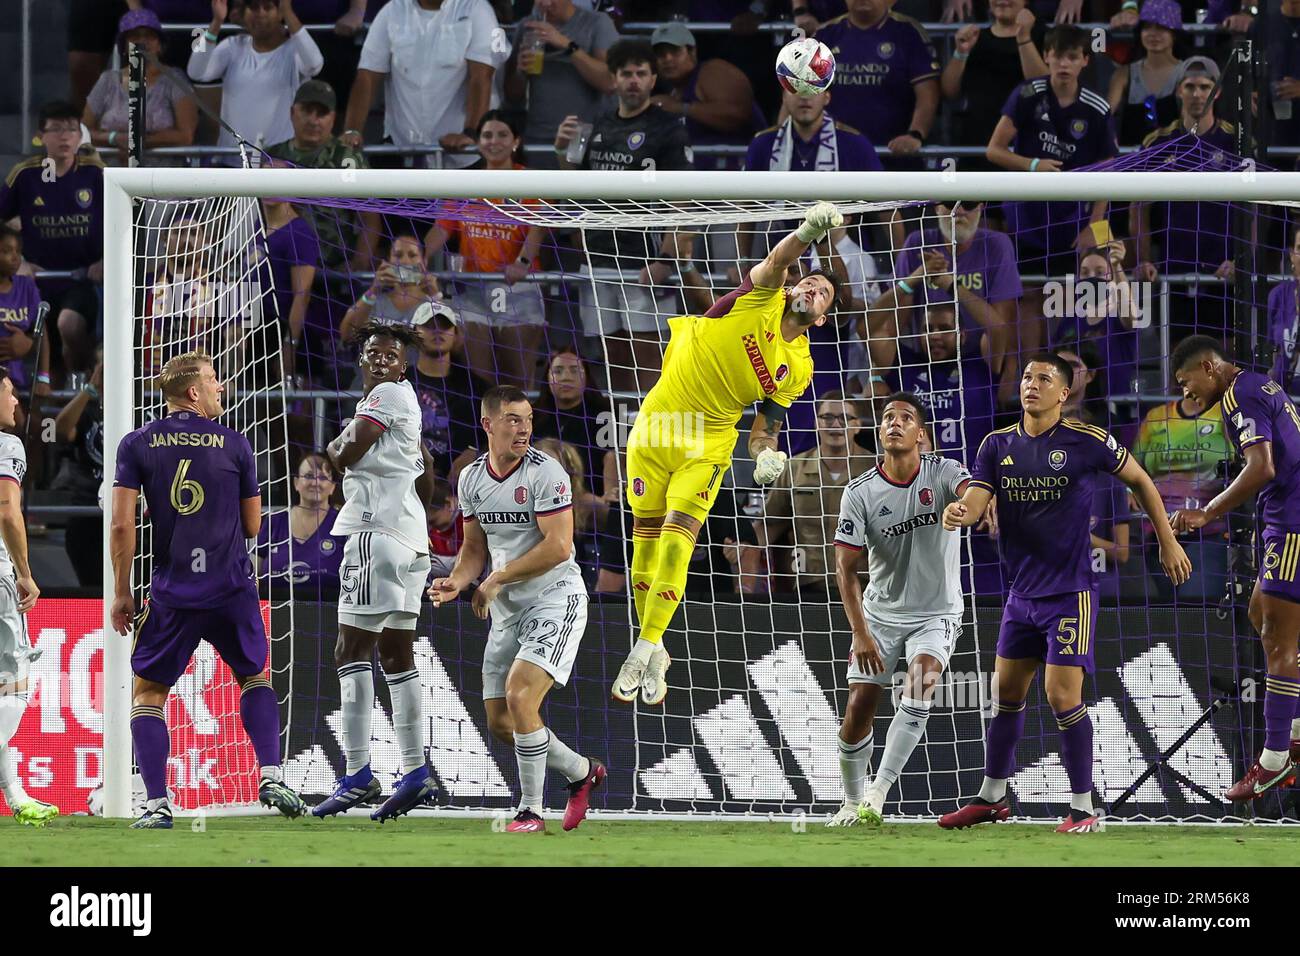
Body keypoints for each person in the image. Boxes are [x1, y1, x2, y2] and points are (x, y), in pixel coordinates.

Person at [939, 353, 1190, 832]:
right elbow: (977, 496)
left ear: (1064, 393)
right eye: (1028, 377)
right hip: (1021, 594)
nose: (1032, 385)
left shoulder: (1086, 440)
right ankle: (992, 797)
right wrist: (962, 513)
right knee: (1006, 695)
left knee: (1060, 696)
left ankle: (1083, 807)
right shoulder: (997, 444)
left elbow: (1140, 479)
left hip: (1070, 593)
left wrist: (1167, 539)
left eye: (1045, 379)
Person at [610, 202, 842, 705]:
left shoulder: (797, 368)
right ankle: (657, 646)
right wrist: (806, 232)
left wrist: (764, 454)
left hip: (710, 441)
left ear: (822, 318)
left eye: (822, 292)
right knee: (643, 546)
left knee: (678, 541)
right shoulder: (762, 295)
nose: (810, 288)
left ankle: (644, 644)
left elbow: (766, 427)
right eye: (809, 282)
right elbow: (780, 260)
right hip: (656, 425)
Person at [109, 352, 306, 828]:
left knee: (149, 693)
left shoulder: (136, 443)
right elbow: (254, 524)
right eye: (215, 380)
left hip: (174, 591)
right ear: (194, 392)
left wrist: (121, 590)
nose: (221, 387)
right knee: (255, 676)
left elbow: (120, 525)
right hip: (231, 587)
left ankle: (157, 804)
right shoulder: (236, 444)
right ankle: (271, 773)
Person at [429, 385, 605, 834]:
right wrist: (458, 581)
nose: (523, 427)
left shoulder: (547, 474)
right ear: (488, 425)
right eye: (511, 419)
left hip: (554, 597)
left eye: (527, 419)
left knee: (521, 695)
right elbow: (473, 548)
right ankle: (583, 772)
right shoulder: (470, 478)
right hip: (506, 608)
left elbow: (560, 547)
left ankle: (529, 811)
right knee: (503, 723)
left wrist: (493, 580)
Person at [313, 323, 439, 822]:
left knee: (350, 648)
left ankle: (358, 773)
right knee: (396, 652)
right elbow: (425, 469)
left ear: (404, 364)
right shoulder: (407, 401)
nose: (382, 361)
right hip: (408, 535)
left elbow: (343, 452)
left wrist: (333, 452)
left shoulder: (385, 396)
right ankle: (414, 770)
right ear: (361, 360)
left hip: (376, 533)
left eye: (391, 354)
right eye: (373, 353)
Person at [826, 394, 969, 826]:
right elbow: (845, 569)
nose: (895, 423)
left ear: (921, 435)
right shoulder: (860, 491)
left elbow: (970, 490)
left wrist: (967, 507)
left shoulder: (942, 472)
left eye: (906, 418)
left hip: (936, 611)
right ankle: (850, 802)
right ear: (880, 431)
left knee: (922, 680)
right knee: (858, 709)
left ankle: (878, 792)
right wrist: (861, 633)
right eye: (888, 417)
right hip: (881, 615)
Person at [1170, 335, 1300, 796]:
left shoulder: (1236, 395)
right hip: (1285, 518)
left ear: (1209, 367)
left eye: (1186, 384)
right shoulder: (1258, 384)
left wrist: (1209, 511)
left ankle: (1274, 760)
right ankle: (1295, 728)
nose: (1186, 395)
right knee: (1259, 611)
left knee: (1278, 638)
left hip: (1293, 524)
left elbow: (1261, 466)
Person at [554, 38, 695, 393]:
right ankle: (622, 436)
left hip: (644, 264)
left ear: (652, 80)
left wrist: (666, 258)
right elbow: (573, 184)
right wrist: (560, 150)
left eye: (641, 73)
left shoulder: (669, 128)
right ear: (614, 79)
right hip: (598, 259)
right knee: (610, 353)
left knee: (646, 355)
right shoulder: (596, 123)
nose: (633, 80)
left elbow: (683, 199)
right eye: (626, 73)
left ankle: (647, 435)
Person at [988, 26, 1117, 302]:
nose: (1064, 64)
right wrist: (1033, 165)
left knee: (1071, 300)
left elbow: (1109, 171)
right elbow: (994, 150)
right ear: (1046, 56)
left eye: (1072, 57)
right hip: (1026, 217)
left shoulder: (1096, 108)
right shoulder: (1027, 94)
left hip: (1074, 221)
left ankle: (1068, 348)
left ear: (1085, 60)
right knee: (1029, 299)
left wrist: (1094, 227)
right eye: (1058, 56)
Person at [425, 111, 547, 390]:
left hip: (519, 289)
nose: (494, 141)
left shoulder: (532, 180)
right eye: (487, 135)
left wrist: (523, 262)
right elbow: (442, 228)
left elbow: (537, 228)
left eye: (502, 134)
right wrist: (419, 257)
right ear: (478, 142)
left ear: (516, 141)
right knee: (479, 379)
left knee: (517, 380)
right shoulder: (465, 183)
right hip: (472, 290)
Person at [1134, 57, 1238, 339]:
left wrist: (1242, 259)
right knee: (1177, 362)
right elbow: (1139, 206)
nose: (1197, 94)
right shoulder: (1158, 141)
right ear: (1178, 90)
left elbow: (1253, 207)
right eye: (1190, 86)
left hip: (1223, 269)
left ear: (1217, 92)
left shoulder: (1236, 141)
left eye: (1205, 86)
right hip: (1173, 268)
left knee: (1225, 362)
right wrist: (1143, 259)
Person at [0, 100, 104, 377]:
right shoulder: (25, 175)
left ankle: (86, 381)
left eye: (71, 129)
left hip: (82, 280)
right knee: (40, 345)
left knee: (69, 325)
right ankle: (47, 393)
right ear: (40, 136)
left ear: (80, 136)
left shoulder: (96, 174)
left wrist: (107, 260)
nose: (64, 136)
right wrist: (18, 261)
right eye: (56, 129)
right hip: (36, 280)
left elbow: (129, 220)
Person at [884, 200, 1023, 404]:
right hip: (926, 362)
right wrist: (876, 375)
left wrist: (1007, 371)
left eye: (968, 204)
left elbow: (1002, 327)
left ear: (981, 206)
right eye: (950, 204)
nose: (959, 211)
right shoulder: (917, 242)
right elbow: (891, 325)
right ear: (937, 207)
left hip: (978, 365)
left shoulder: (996, 244)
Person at [343, 0, 497, 169]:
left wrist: (470, 133)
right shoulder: (392, 10)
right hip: (401, 150)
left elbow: (481, 78)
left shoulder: (477, 9)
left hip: (462, 155)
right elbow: (367, 76)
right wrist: (352, 131)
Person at [0, 369, 55, 828]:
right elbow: (6, 508)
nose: (16, 401)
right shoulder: (6, 445)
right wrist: (24, 572)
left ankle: (16, 797)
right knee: (14, 684)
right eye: (8, 391)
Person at [758, 393, 872, 598]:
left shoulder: (877, 469)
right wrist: (743, 546)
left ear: (858, 425)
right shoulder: (793, 469)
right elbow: (769, 525)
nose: (835, 424)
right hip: (809, 586)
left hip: (866, 587)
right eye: (827, 417)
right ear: (816, 423)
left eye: (844, 418)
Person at [1132, 384, 1230, 604]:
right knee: (1166, 611)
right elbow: (1133, 466)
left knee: (1196, 605)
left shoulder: (1225, 414)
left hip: (1208, 531)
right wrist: (1129, 491)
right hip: (1158, 530)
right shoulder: (1157, 417)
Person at [814, 0, 940, 165]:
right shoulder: (825, 34)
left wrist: (915, 134)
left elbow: (928, 93)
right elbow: (800, 93)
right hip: (833, 153)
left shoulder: (909, 32)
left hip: (893, 153)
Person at [188, 0, 324, 152]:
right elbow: (196, 72)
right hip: (231, 159)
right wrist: (216, 22)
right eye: (253, 7)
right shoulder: (232, 46)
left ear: (279, 13)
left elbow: (314, 65)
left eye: (267, 7)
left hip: (277, 162)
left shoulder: (294, 50)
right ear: (244, 14)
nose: (260, 13)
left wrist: (288, 13)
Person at [504, 0, 618, 165]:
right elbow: (512, 95)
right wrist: (520, 71)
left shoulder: (597, 23)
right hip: (539, 138)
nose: (546, 3)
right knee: (540, 190)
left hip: (584, 137)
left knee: (580, 190)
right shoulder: (528, 26)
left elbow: (609, 82)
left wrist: (567, 45)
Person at [83, 9, 198, 165]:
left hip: (162, 178)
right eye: (135, 36)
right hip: (112, 176)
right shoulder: (108, 80)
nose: (142, 41)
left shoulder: (175, 80)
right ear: (123, 46)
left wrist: (138, 142)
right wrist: (114, 138)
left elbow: (186, 135)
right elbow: (82, 132)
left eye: (150, 36)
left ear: (159, 45)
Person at [941, 0, 1045, 168]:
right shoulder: (975, 38)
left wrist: (1024, 38)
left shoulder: (1042, 35)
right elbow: (949, 92)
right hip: (977, 144)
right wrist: (961, 52)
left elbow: (1045, 89)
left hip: (1027, 146)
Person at [649, 22, 765, 168]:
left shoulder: (713, 72)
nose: (667, 59)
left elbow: (738, 115)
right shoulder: (672, 93)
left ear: (692, 52)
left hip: (735, 177)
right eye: (660, 54)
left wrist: (680, 108)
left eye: (675, 51)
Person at [1049, 241, 1141, 406]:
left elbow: (1132, 318)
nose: (1091, 277)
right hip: (1077, 407)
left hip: (1116, 407)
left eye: (1100, 272)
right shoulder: (1070, 320)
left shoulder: (1118, 317)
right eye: (1085, 272)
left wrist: (1116, 265)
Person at [407, 300, 484, 481]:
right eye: (429, 326)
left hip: (460, 483)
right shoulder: (399, 382)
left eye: (445, 326)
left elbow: (492, 432)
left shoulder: (477, 387)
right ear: (413, 334)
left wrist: (473, 452)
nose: (438, 331)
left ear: (456, 334)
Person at [531, 347, 617, 499]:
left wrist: (607, 500)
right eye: (558, 371)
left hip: (592, 501)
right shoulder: (532, 416)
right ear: (547, 378)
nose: (566, 377)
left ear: (587, 377)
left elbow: (613, 457)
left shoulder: (608, 412)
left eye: (575, 370)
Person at [52, 349, 104, 588]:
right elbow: (58, 431)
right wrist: (91, 389)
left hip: (133, 511)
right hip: (87, 508)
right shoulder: (85, 411)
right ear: (91, 371)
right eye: (103, 366)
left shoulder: (140, 407)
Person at [257, 452, 344, 592]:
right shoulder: (275, 521)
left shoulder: (342, 523)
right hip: (275, 610)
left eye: (322, 477)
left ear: (333, 486)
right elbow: (252, 575)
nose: (315, 483)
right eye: (309, 476)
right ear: (296, 483)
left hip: (330, 611)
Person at [1105, 0, 1185, 147]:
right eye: (1147, 27)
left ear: (1174, 34)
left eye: (1161, 28)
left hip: (1176, 160)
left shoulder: (1186, 72)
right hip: (1132, 161)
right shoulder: (1124, 74)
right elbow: (1105, 115)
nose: (1153, 34)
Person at [258, 197, 319, 382]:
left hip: (291, 332)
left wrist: (289, 346)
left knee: (295, 406)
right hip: (260, 331)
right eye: (266, 178)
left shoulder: (300, 233)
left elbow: (302, 295)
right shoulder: (257, 226)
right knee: (262, 404)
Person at [339, 234, 440, 343]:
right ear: (387, 261)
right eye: (398, 255)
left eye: (412, 255)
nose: (405, 261)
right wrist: (373, 290)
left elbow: (455, 345)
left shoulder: (434, 301)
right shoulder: (373, 301)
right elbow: (347, 336)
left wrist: (436, 297)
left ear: (424, 262)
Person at [0, 227, 50, 396]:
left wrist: (43, 378)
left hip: (21, 377)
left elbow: (41, 332)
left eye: (18, 252)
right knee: (19, 420)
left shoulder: (26, 286)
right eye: (6, 251)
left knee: (45, 420)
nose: (15, 258)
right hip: (2, 381)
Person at [1269, 225, 1300, 393]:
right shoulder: (1278, 295)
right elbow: (1272, 348)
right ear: (1291, 254)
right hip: (1285, 393)